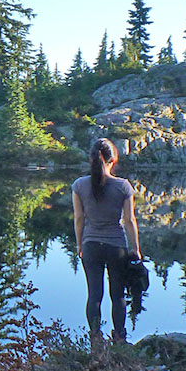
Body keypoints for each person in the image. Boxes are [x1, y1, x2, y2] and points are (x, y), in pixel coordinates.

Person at [72, 139, 141, 343]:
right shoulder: (123, 186)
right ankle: (119, 337)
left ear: (91, 159)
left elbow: (78, 219)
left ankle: (95, 339)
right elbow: (129, 220)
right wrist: (135, 248)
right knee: (117, 295)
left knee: (94, 295)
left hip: (90, 246)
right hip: (116, 246)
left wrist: (79, 245)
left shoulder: (79, 185)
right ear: (113, 160)